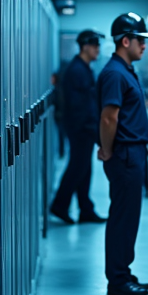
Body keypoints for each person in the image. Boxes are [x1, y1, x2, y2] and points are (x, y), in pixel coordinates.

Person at [97, 12, 148, 295]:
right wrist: (107, 150)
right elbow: (109, 118)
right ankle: (117, 279)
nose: (144, 46)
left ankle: (123, 271)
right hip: (125, 155)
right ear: (125, 40)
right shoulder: (115, 73)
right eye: (140, 40)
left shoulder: (124, 69)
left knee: (128, 217)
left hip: (133, 154)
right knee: (123, 218)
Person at [50, 29, 107, 225]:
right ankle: (59, 205)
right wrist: (91, 127)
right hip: (80, 128)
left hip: (83, 127)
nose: (98, 50)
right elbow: (79, 105)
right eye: (95, 46)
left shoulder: (83, 68)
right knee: (77, 167)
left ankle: (85, 209)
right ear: (85, 46)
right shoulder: (77, 70)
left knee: (84, 168)